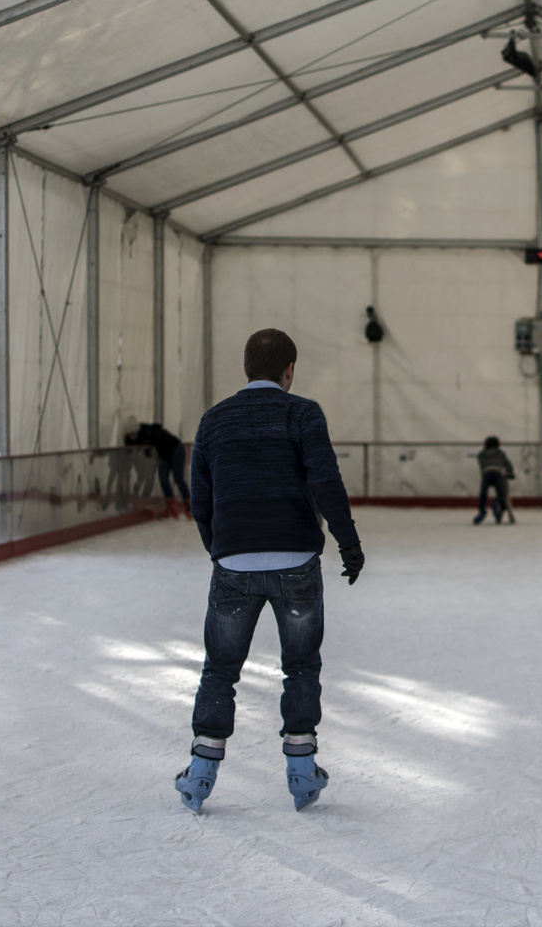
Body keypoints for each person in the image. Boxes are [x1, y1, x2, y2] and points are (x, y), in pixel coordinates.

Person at [175, 328, 365, 814]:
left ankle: (200, 772)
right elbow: (325, 480)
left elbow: (201, 500)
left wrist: (220, 550)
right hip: (297, 560)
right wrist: (348, 543)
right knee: (300, 666)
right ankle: (302, 770)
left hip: (233, 561)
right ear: (289, 370)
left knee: (220, 669)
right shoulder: (303, 413)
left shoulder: (213, 421)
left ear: (244, 369)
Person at [127, 421, 188, 518]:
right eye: (130, 435)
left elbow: (157, 431)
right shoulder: (139, 438)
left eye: (134, 434)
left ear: (138, 432)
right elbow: (130, 442)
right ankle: (171, 505)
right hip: (164, 454)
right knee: (163, 478)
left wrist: (148, 441)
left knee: (178, 478)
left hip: (175, 448)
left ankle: (189, 505)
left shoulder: (148, 431)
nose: (132, 437)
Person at [472, 436, 515, 524]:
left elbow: (481, 464)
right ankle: (496, 502)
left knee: (483, 493)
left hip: (486, 473)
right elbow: (507, 463)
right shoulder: (500, 453)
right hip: (497, 472)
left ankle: (482, 511)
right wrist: (510, 473)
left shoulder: (481, 454)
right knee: (501, 492)